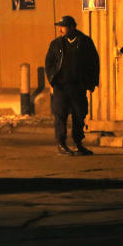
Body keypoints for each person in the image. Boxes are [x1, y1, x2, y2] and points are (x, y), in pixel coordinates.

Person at [44, 15, 100, 156]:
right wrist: (52, 79)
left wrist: (92, 82)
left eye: (63, 27)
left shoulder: (85, 42)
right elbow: (49, 62)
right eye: (60, 27)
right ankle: (61, 144)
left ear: (72, 27)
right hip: (61, 86)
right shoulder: (56, 44)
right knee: (60, 115)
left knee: (79, 115)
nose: (60, 30)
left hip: (78, 86)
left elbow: (94, 63)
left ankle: (78, 143)